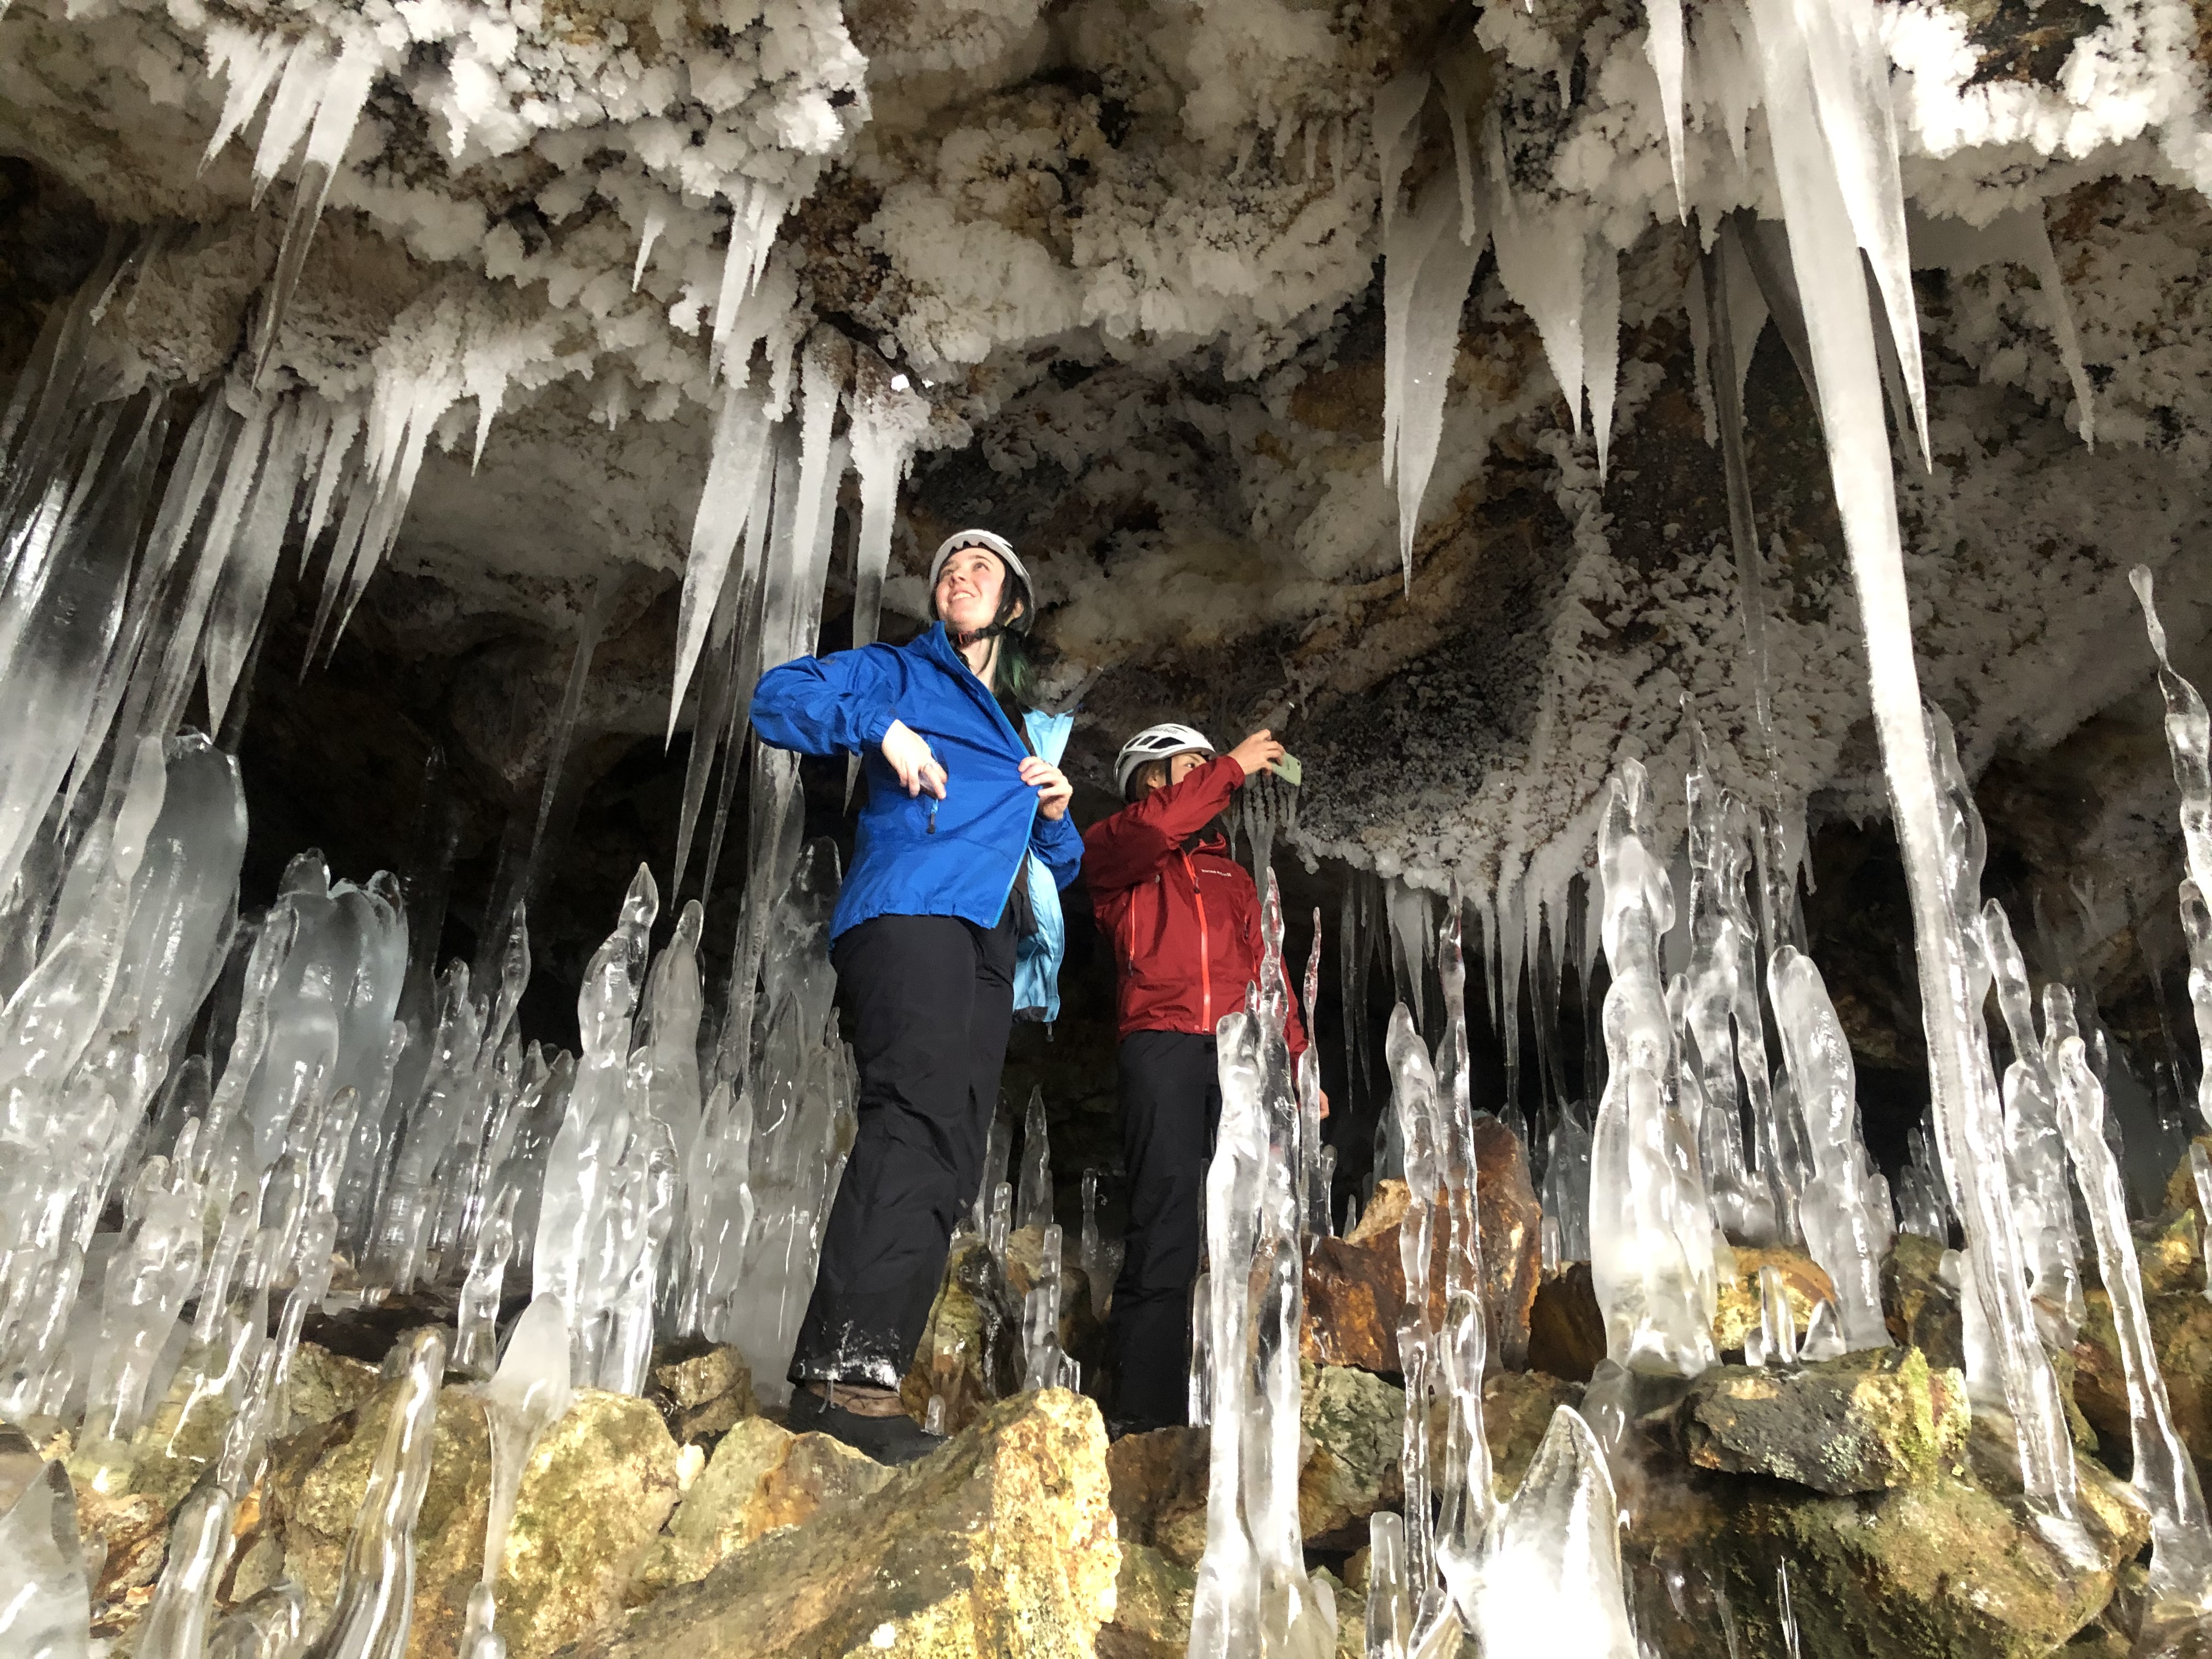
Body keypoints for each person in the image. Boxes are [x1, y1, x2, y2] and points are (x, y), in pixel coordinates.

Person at [750, 528, 1081, 1462]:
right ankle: (839, 1380)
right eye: (949, 569)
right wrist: (880, 728)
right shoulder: (901, 673)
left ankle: (871, 1373)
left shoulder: (1022, 729)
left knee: (951, 1146)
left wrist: (1057, 814)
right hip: (911, 909)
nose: (960, 576)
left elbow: (1062, 864)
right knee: (913, 1115)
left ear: (1012, 607)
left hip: (988, 937)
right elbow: (779, 698)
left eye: (983, 570)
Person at [1082, 721, 1322, 1432]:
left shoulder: (1231, 875)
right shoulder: (1119, 849)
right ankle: (1142, 1415)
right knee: (1165, 1225)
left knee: (1255, 1226)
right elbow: (1161, 830)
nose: (1216, 777)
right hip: (1162, 1045)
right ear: (1154, 777)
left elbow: (1268, 970)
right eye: (1197, 767)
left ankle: (1244, 1408)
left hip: (1240, 1054)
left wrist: (1300, 1067)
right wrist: (1237, 767)